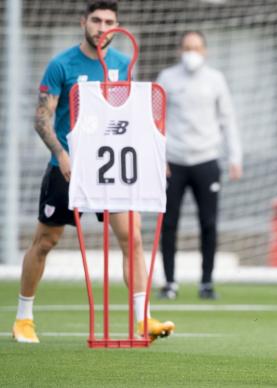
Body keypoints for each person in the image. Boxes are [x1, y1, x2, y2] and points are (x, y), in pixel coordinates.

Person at [12, 0, 174, 344]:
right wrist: (62, 154)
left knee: (133, 239)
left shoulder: (122, 65)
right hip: (67, 167)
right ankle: (24, 318)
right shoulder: (61, 65)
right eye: (97, 21)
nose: (103, 28)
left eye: (109, 22)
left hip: (109, 170)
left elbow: (129, 119)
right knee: (46, 241)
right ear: (83, 22)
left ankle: (143, 318)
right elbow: (42, 119)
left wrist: (151, 156)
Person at [155, 31, 242, 300]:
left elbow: (228, 118)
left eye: (196, 47)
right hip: (173, 161)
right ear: (180, 50)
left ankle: (206, 282)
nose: (191, 52)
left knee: (209, 223)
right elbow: (154, 120)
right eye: (187, 47)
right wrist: (158, 157)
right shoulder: (166, 79)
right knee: (168, 223)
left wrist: (234, 157)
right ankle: (169, 282)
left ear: (204, 51)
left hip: (206, 160)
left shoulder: (216, 79)